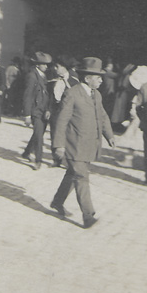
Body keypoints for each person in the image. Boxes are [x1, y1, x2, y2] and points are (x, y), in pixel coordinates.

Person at [50, 57, 115, 229]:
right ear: (87, 78)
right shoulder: (72, 94)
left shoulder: (96, 94)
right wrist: (59, 145)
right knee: (81, 176)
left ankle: (57, 201)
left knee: (73, 174)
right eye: (98, 77)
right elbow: (61, 121)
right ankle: (88, 216)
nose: (101, 80)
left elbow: (102, 116)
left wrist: (109, 134)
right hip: (74, 144)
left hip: (89, 144)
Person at [22, 52, 52, 170]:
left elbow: (47, 95)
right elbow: (27, 95)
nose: (46, 66)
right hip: (35, 111)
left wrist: (48, 109)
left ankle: (26, 152)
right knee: (39, 136)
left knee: (38, 133)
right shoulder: (32, 76)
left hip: (44, 110)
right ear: (37, 65)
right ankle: (38, 160)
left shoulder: (43, 76)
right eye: (43, 64)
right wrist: (27, 114)